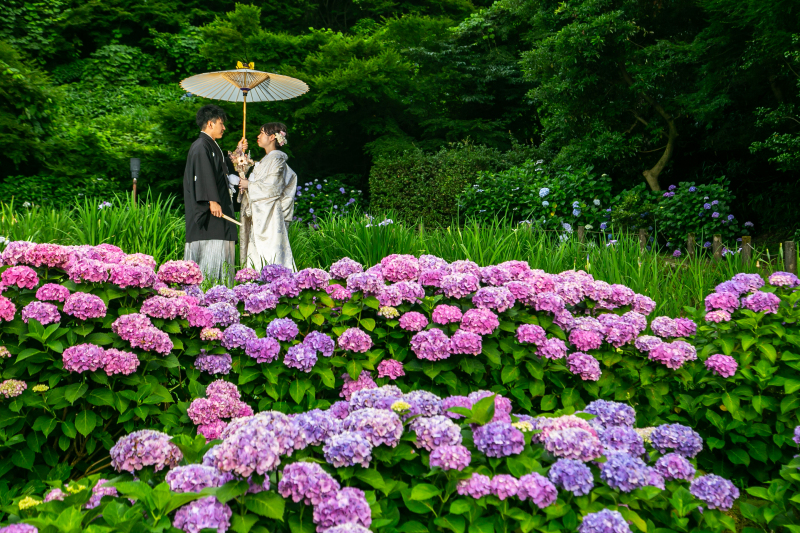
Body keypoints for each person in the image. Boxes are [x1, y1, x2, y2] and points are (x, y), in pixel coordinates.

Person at [183, 104, 246, 284]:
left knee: (222, 244)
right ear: (210, 124)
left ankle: (220, 287)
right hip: (211, 210)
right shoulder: (201, 146)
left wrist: (238, 152)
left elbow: (220, 168)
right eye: (221, 123)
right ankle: (211, 287)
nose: (224, 127)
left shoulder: (209, 145)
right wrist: (212, 200)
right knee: (212, 249)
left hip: (219, 203)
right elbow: (204, 174)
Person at [229, 122, 296, 270]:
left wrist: (249, 185)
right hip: (261, 214)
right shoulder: (266, 160)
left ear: (272, 137)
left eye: (262, 133)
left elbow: (274, 188)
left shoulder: (277, 159)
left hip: (270, 216)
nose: (258, 136)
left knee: (269, 256)